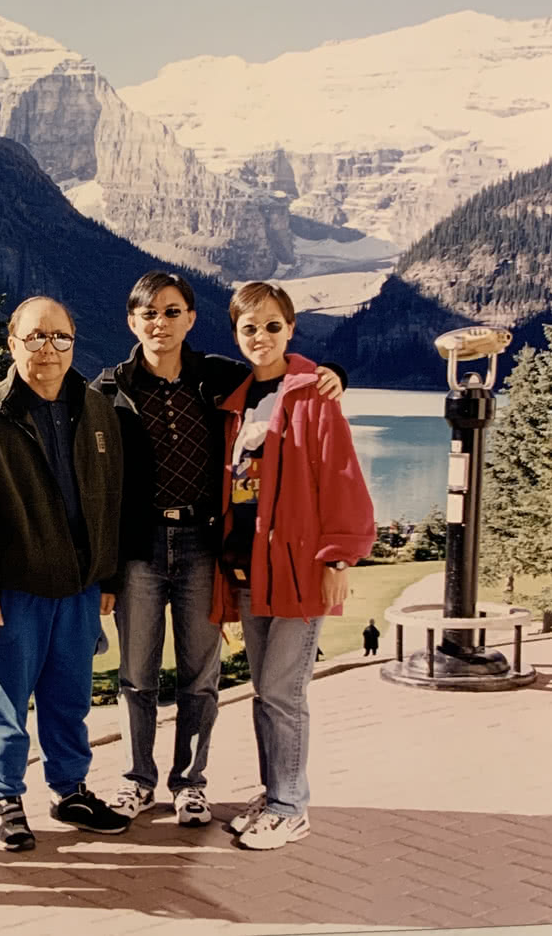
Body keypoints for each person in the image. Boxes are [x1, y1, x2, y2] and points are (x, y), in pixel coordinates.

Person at [96, 270, 343, 825]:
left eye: (172, 311)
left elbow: (281, 373)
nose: (160, 322)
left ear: (191, 318)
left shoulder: (219, 379)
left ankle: (190, 783)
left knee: (199, 675)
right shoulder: (107, 390)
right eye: (149, 313)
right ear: (132, 321)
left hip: (203, 546)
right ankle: (137, 780)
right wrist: (105, 572)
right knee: (136, 674)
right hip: (138, 550)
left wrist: (333, 375)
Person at [211, 281, 374, 851]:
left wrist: (339, 556)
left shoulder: (312, 397)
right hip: (250, 567)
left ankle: (290, 805)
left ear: (291, 329)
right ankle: (275, 791)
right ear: (236, 334)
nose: (261, 337)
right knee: (265, 690)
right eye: (249, 327)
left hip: (300, 568)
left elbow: (342, 478)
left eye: (272, 326)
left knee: (283, 691)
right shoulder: (235, 401)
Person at [0, 296, 129, 851]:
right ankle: (4, 797)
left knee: (70, 697)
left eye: (59, 337)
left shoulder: (96, 407)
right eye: (35, 337)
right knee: (7, 700)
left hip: (81, 588)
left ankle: (70, 790)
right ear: (12, 344)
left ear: (73, 342)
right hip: (14, 591)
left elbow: (112, 499)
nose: (48, 349)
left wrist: (107, 576)